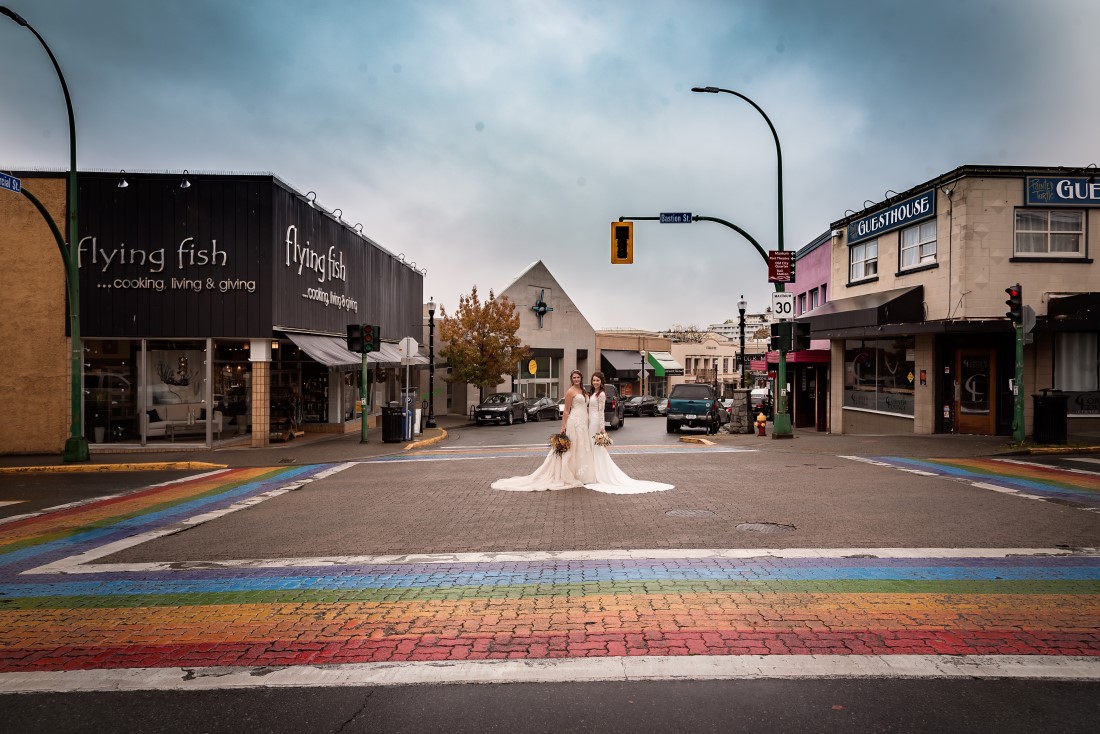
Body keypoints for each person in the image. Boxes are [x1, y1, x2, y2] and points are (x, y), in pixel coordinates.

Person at [491, 370, 592, 491]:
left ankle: (582, 474)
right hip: (574, 422)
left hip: (583, 422)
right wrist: (563, 426)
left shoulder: (584, 391)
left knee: (582, 447)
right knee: (572, 448)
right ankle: (569, 474)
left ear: (581, 378)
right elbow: (566, 410)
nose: (576, 379)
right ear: (571, 379)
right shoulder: (570, 391)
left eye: (578, 377)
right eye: (574, 378)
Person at [583, 371, 674, 495]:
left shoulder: (602, 394)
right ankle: (592, 472)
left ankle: (598, 474)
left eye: (597, 380)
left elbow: (601, 412)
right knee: (591, 448)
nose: (595, 382)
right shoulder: (592, 393)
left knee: (596, 448)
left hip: (595, 423)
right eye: (594, 380)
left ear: (601, 382)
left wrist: (602, 428)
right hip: (589, 422)